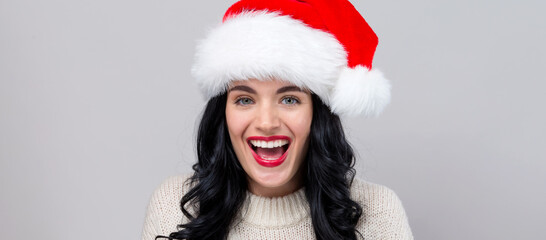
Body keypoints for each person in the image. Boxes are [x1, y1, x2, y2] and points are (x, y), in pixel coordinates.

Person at [141, 0, 413, 239]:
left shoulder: (378, 213)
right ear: (222, 112)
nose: (267, 122)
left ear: (317, 114)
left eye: (290, 99)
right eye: (245, 99)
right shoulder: (173, 207)